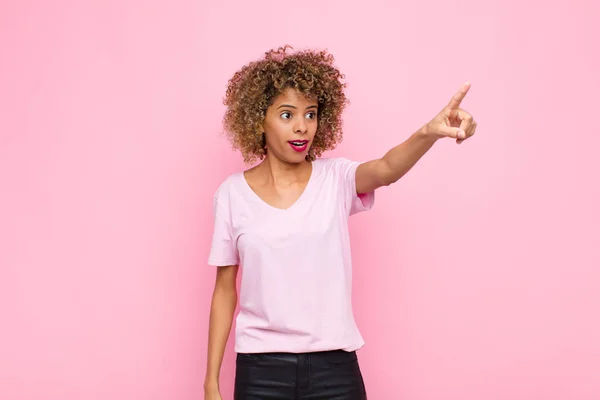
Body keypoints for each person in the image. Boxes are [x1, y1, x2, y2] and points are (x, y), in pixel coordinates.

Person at [204, 45, 477, 400]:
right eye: (287, 115)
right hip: (261, 372)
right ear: (259, 119)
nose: (302, 126)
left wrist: (429, 132)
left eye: (311, 114)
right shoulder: (231, 194)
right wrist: (211, 381)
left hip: (334, 370)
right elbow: (225, 290)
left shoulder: (335, 179)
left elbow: (386, 169)